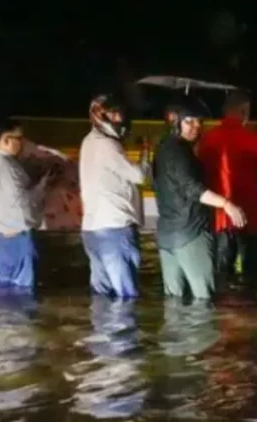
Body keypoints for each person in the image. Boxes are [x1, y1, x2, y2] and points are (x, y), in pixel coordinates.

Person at [151, 98, 247, 301]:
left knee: (174, 299)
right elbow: (191, 188)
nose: (197, 127)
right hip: (190, 233)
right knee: (203, 299)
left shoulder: (164, 148)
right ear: (174, 121)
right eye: (189, 121)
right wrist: (226, 204)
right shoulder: (177, 151)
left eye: (199, 121)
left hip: (168, 233)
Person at [79, 93, 151, 298]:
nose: (121, 119)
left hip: (93, 230)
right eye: (115, 114)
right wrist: (146, 152)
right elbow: (139, 176)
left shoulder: (89, 142)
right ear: (101, 116)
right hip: (115, 229)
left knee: (102, 295)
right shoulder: (106, 145)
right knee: (125, 296)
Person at [197, 90, 257, 277]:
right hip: (251, 216)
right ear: (244, 111)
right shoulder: (254, 139)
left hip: (220, 218)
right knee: (252, 277)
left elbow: (200, 175)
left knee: (222, 277)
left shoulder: (207, 139)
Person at [0, 119, 50, 290]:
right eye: (19, 138)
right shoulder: (8, 166)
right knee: (23, 293)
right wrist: (43, 186)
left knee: (3, 288)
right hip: (16, 237)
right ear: (5, 140)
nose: (22, 143)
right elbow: (22, 202)